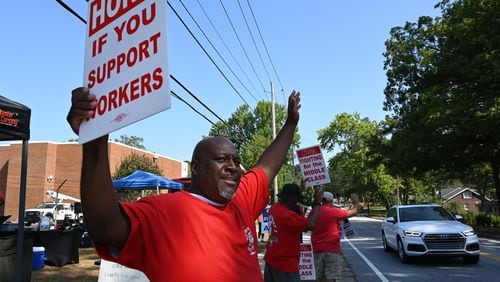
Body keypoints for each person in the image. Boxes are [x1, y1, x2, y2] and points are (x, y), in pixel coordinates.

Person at [66, 87, 302, 281]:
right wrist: (95, 142)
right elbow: (105, 227)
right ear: (195, 168)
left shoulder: (242, 199)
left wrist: (290, 124)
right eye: (222, 159)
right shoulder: (163, 212)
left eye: (236, 160)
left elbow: (267, 166)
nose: (233, 166)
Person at [263, 183, 322, 282]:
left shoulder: (275, 208)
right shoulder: (289, 217)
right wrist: (317, 202)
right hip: (285, 265)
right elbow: (311, 225)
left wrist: (301, 189)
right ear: (293, 200)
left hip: (271, 260)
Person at [311, 191, 360, 282]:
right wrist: (356, 203)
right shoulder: (334, 212)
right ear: (331, 201)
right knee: (331, 276)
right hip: (332, 249)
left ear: (322, 200)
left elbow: (309, 225)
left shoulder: (314, 212)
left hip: (317, 249)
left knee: (319, 276)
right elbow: (353, 212)